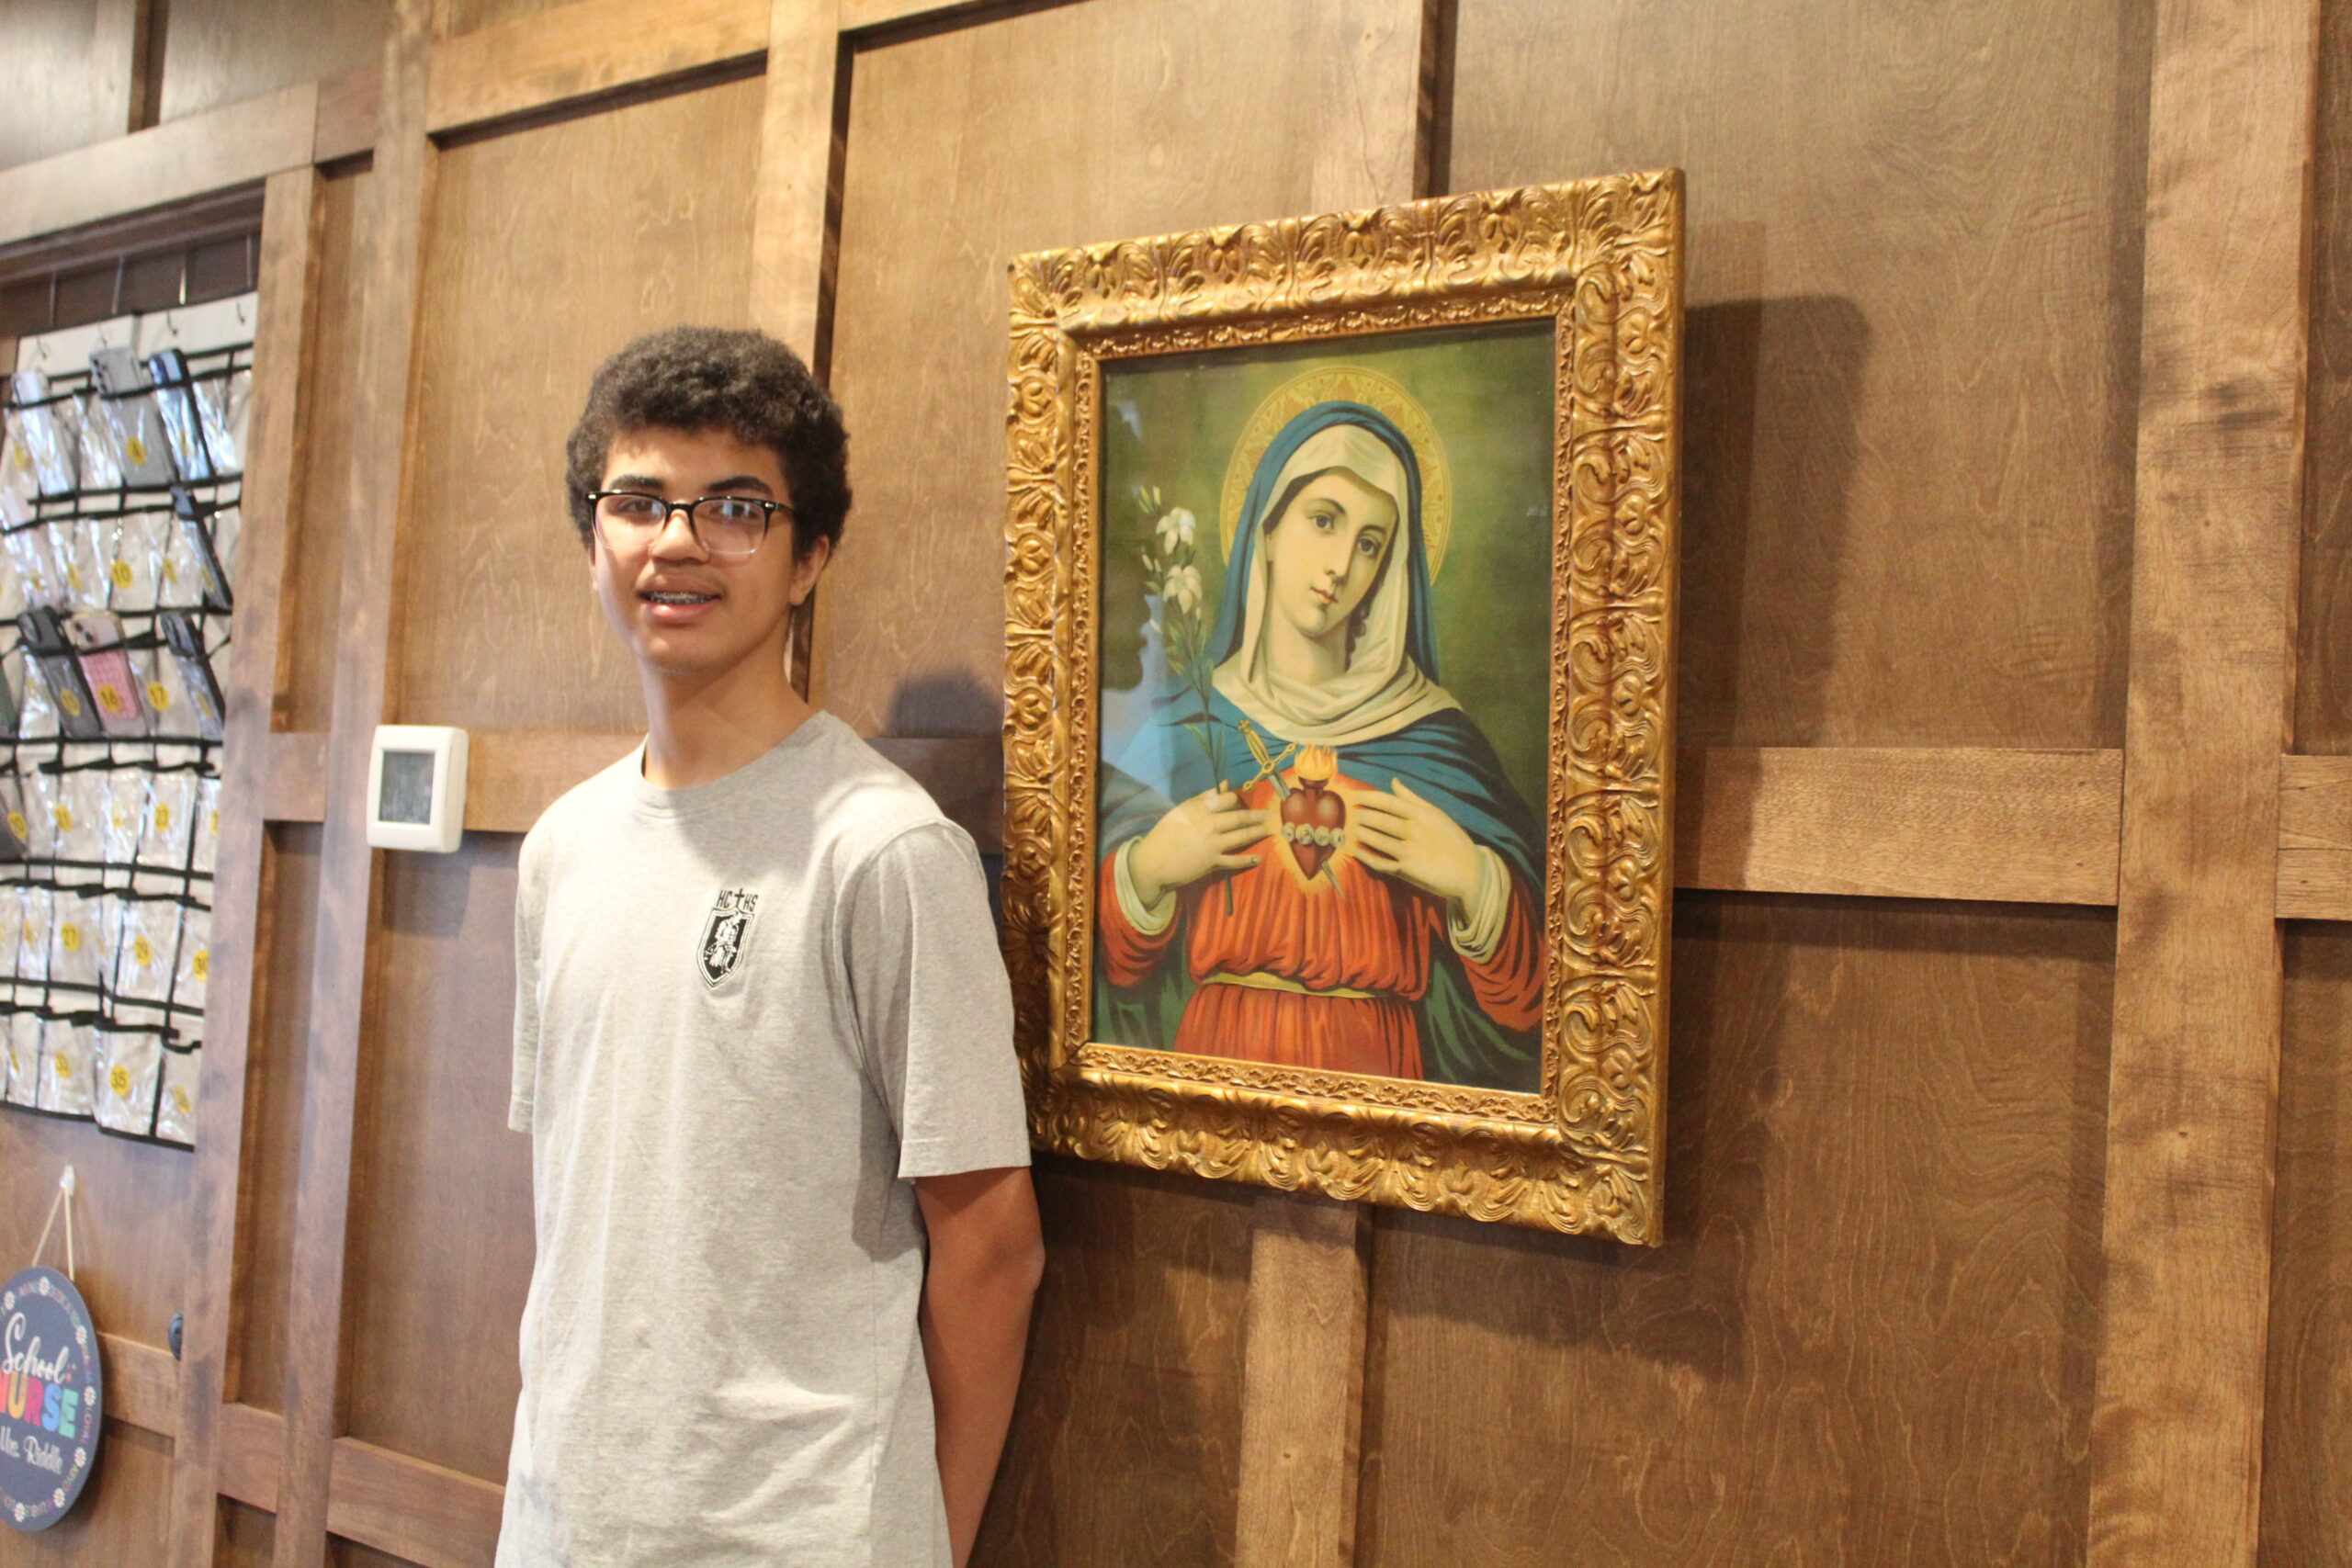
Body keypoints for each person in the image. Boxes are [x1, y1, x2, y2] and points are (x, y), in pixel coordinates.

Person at [499, 326, 1043, 1568]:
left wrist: (926, 1544)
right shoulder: (560, 848)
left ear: (810, 559)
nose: (678, 541)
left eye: (737, 508)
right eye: (639, 501)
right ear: (594, 538)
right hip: (561, 1522)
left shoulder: (884, 850)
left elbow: (993, 1248)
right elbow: (586, 1215)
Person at [1095, 399, 1545, 1091]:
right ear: (1268, 528)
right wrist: (1148, 869)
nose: (1340, 564)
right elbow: (1100, 974)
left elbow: (1531, 1002)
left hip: (1381, 1089)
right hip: (1210, 1087)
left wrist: (1474, 881)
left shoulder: (1434, 742)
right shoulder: (1188, 726)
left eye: (1370, 543)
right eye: (1324, 520)